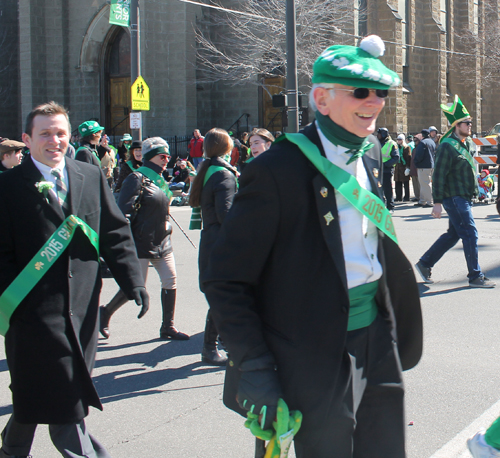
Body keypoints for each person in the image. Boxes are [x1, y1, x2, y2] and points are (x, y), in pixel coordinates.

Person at [202, 35, 422, 457]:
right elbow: (225, 278)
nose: (374, 102)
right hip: (312, 353)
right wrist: (254, 364)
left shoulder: (370, 149)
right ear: (322, 99)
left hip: (376, 339)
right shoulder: (276, 170)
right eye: (360, 92)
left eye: (380, 92)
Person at [0, 101, 149, 457]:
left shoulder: (88, 174)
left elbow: (114, 231)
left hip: (82, 309)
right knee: (66, 400)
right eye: (45, 133)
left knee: (36, 395)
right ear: (27, 138)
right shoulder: (7, 187)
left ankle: (11, 450)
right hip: (32, 314)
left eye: (61, 133)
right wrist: (12, 303)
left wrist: (134, 282)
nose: (55, 140)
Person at [99, 137, 190, 341]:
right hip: (140, 241)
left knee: (170, 280)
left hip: (162, 239)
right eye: (162, 156)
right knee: (134, 285)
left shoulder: (160, 177)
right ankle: (105, 313)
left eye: (168, 156)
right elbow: (124, 212)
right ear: (151, 157)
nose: (167, 160)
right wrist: (125, 242)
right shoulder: (136, 178)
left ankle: (168, 327)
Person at [415, 95, 495, 288]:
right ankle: (475, 276)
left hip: (464, 197)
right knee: (470, 234)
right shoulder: (446, 146)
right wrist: (437, 203)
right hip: (454, 198)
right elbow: (439, 176)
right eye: (466, 123)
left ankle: (425, 264)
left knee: (454, 234)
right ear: (456, 125)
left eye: (470, 123)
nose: (470, 126)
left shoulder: (465, 144)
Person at [189, 128, 238, 366]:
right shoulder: (224, 175)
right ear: (227, 148)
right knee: (223, 298)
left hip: (210, 239)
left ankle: (221, 344)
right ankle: (210, 347)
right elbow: (226, 215)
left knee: (222, 297)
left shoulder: (208, 169)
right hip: (221, 243)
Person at [377, 127, 399, 211]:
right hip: (377, 170)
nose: (378, 136)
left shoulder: (392, 143)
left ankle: (390, 206)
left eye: (379, 134)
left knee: (387, 189)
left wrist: (385, 164)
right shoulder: (376, 143)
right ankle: (380, 206)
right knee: (378, 189)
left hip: (386, 170)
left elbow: (396, 157)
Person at [412, 128, 435, 207]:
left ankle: (430, 201)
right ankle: (422, 200)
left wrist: (416, 162)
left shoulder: (423, 143)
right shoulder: (432, 142)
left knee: (425, 184)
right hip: (431, 165)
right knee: (423, 184)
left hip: (423, 166)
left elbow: (419, 155)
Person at [394, 133, 412, 202]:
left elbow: (408, 158)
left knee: (406, 183)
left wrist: (408, 167)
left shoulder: (406, 147)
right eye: (398, 139)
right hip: (397, 167)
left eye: (400, 139)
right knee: (397, 183)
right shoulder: (396, 147)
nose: (398, 141)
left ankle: (407, 197)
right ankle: (398, 197)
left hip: (404, 167)